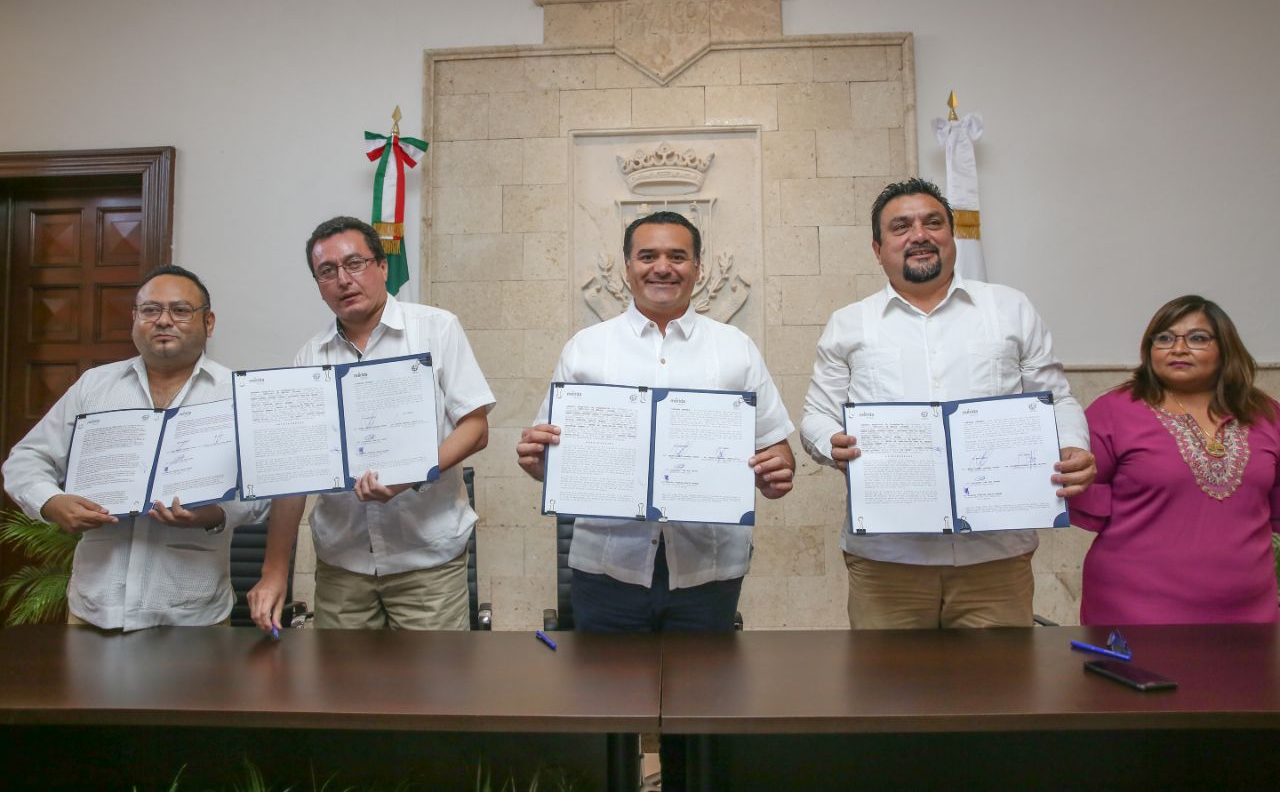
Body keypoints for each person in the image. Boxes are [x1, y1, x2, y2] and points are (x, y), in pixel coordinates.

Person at [517, 211, 794, 789]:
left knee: (701, 718)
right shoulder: (586, 350)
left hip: (708, 571)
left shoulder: (735, 350)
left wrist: (776, 470)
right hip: (607, 569)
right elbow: (550, 455)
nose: (662, 268)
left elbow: (776, 448)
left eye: (676, 256)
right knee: (606, 720)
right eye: (647, 256)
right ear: (627, 267)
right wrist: (539, 460)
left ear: (698, 267)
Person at [800, 177, 1096, 629]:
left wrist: (1073, 444)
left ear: (951, 236)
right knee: (887, 677)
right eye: (901, 226)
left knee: (999, 676)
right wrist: (831, 443)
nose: (919, 235)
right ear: (878, 249)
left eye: (933, 223)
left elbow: (1056, 399)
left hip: (995, 556)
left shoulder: (1009, 308)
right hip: (888, 560)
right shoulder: (849, 324)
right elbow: (816, 417)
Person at [248, 217, 494, 633]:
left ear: (381, 266)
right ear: (318, 285)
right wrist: (274, 571)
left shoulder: (436, 329)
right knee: (344, 676)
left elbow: (476, 428)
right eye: (327, 271)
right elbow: (293, 474)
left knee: (432, 676)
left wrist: (409, 474)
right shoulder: (310, 358)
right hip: (343, 564)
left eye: (354, 264)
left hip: (426, 561)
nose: (343, 280)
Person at [2, 265, 265, 630]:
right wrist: (50, 501)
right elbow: (26, 460)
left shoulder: (239, 394)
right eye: (150, 310)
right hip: (94, 609)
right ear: (135, 319)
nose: (163, 320)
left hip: (194, 614)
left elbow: (265, 493)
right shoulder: (94, 387)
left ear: (209, 322)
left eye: (181, 310)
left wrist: (216, 514)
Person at [1069, 295, 1280, 624]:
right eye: (1165, 338)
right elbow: (1075, 489)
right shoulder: (1114, 412)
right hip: (1135, 606)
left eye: (1197, 338)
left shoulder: (1265, 414)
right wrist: (1128, 503)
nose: (1178, 349)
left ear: (1226, 348)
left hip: (1248, 611)